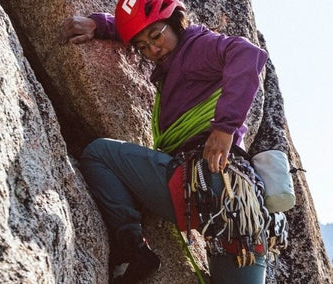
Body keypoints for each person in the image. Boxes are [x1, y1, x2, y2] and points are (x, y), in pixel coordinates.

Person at [60, 0, 280, 283]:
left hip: (202, 182)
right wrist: (100, 24)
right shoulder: (179, 55)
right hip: (238, 211)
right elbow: (142, 30)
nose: (152, 50)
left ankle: (133, 250)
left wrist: (224, 128)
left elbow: (247, 54)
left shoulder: (196, 48)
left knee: (98, 153)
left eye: (156, 37)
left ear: (177, 23)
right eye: (142, 47)